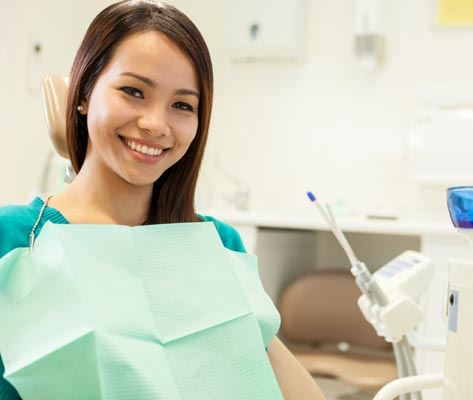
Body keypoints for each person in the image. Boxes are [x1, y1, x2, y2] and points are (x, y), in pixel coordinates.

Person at [0, 1, 325, 399]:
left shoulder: (215, 244)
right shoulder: (13, 238)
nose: (155, 123)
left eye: (182, 105)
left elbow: (274, 376)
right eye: (133, 91)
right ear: (84, 93)